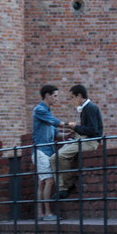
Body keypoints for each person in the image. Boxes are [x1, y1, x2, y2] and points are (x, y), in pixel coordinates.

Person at [32, 85, 72, 221]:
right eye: (55, 96)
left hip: (46, 151)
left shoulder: (47, 113)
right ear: (47, 96)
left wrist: (68, 134)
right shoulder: (40, 110)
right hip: (40, 151)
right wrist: (72, 125)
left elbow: (56, 133)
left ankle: (40, 213)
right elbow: (57, 123)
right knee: (49, 181)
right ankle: (47, 213)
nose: (56, 98)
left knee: (42, 182)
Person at [57, 84, 104, 197]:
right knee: (54, 158)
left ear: (79, 96)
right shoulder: (85, 109)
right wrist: (76, 130)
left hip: (90, 141)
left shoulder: (90, 108)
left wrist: (75, 127)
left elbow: (92, 130)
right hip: (84, 139)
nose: (72, 100)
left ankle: (67, 185)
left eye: (72, 97)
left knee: (59, 156)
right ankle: (62, 187)